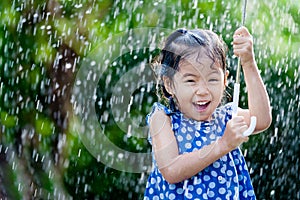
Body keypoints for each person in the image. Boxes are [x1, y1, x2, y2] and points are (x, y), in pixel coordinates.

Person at [144, 27, 272, 200]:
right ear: (169, 84)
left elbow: (262, 120)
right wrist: (223, 144)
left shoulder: (227, 117)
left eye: (212, 79)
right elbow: (171, 170)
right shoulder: (162, 119)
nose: (203, 91)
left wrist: (248, 63)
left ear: (225, 80)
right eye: (191, 80)